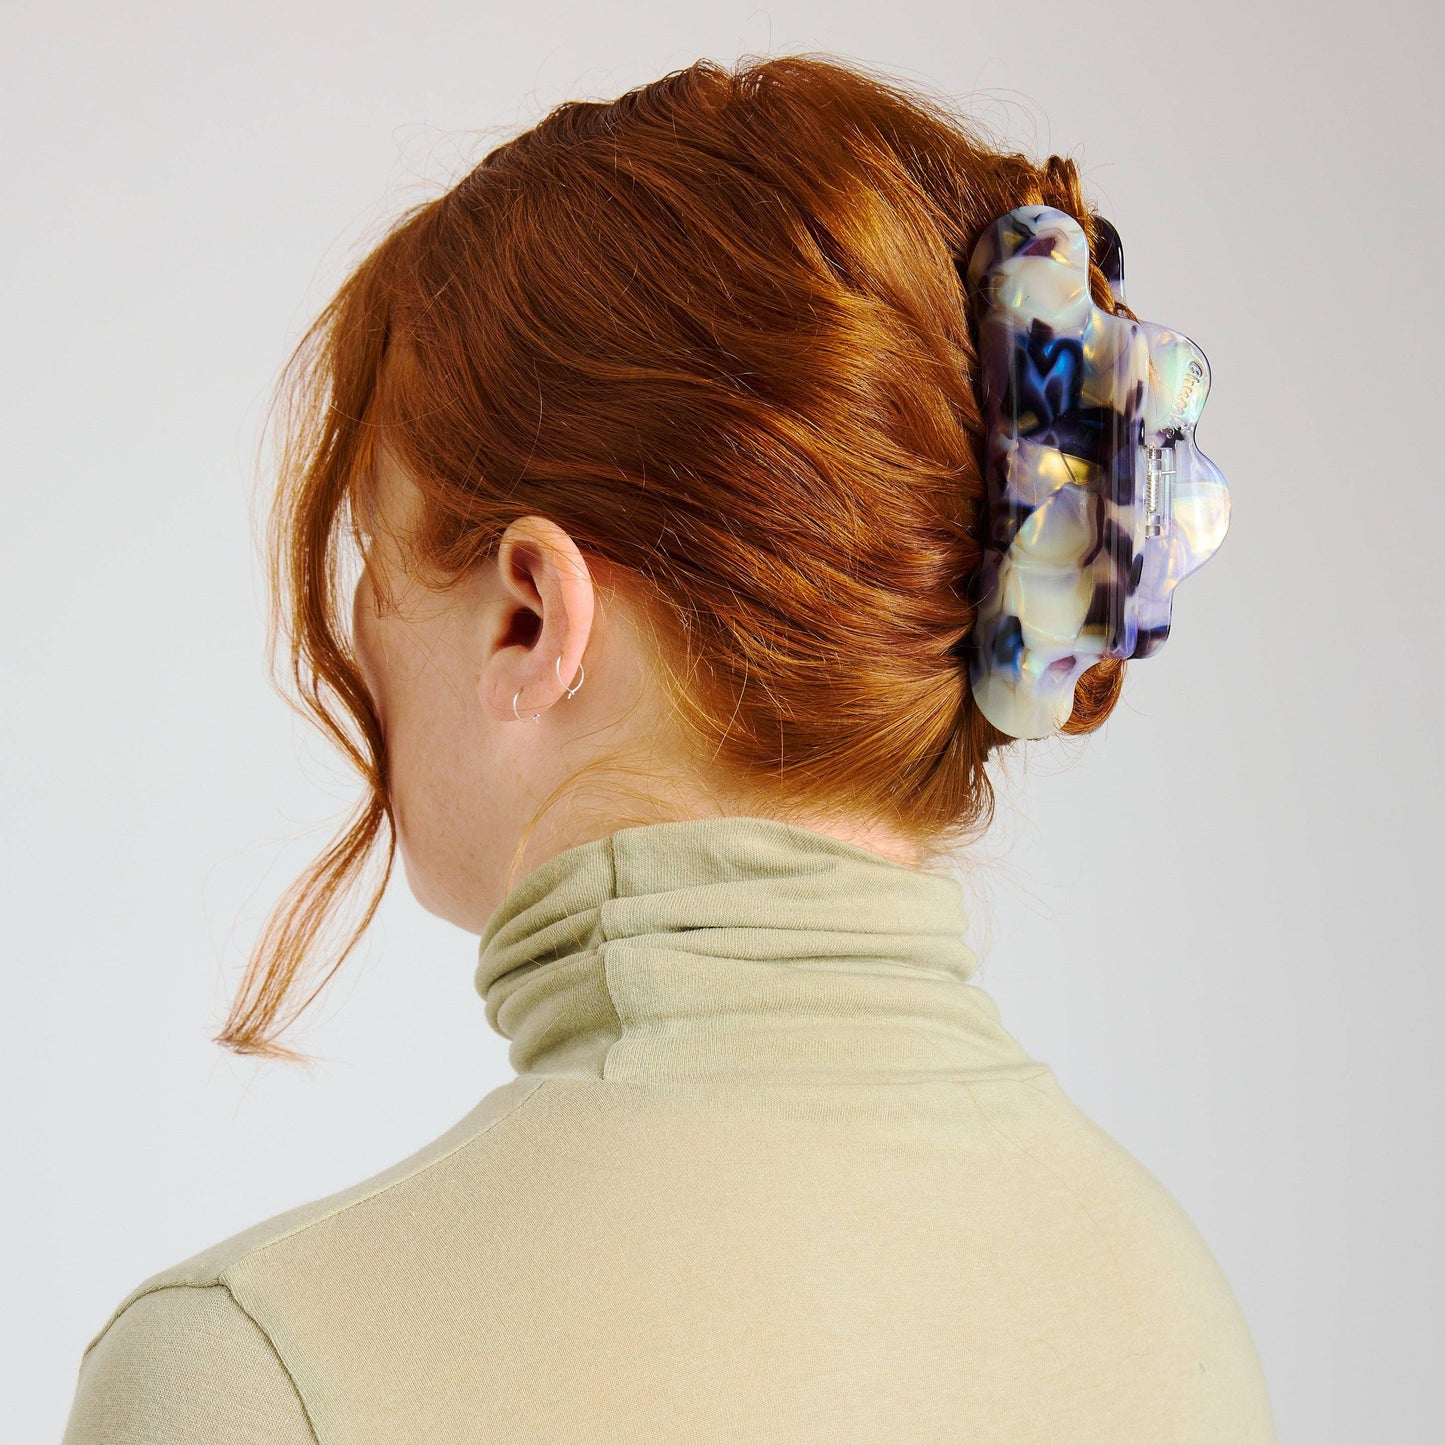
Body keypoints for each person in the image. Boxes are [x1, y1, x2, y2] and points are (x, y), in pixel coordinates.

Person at [60, 53, 1277, 1444]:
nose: (358, 636)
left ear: (529, 614)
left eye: (377, 552)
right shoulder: (1168, 1298)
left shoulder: (250, 1372)